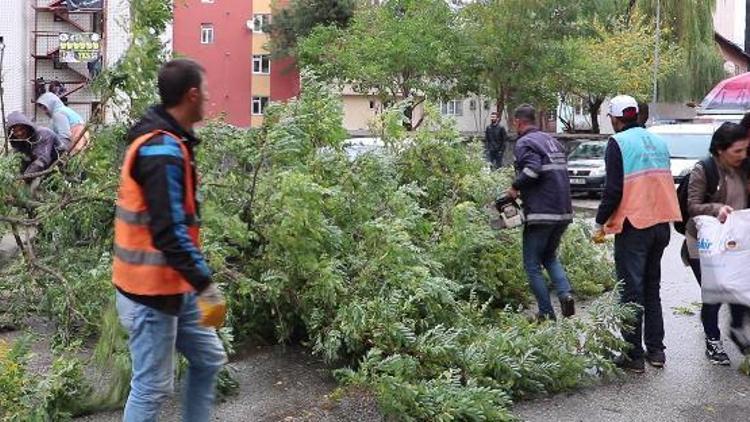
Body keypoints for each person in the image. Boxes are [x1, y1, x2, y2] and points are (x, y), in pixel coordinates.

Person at [112, 59, 227, 422]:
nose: (209, 98)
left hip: (173, 286)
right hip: (149, 295)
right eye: (205, 91)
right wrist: (206, 286)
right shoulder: (160, 150)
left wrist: (195, 285)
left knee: (208, 358)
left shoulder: (171, 141)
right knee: (151, 387)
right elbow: (169, 233)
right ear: (192, 95)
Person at [593, 95, 681, 373]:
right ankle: (656, 352)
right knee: (651, 289)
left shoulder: (617, 143)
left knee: (631, 292)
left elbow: (614, 190)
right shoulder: (658, 141)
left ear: (617, 118)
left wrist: (599, 222)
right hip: (661, 224)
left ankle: (632, 356)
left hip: (635, 226)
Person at [685, 122, 750, 364]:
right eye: (737, 151)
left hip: (734, 240)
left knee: (739, 286)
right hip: (704, 243)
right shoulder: (704, 169)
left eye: (745, 150)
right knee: (715, 292)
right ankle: (713, 341)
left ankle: (736, 329)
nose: (742, 155)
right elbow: (692, 206)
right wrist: (716, 208)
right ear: (721, 149)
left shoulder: (743, 168)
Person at [506, 104, 575, 321]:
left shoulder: (525, 142)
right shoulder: (552, 142)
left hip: (541, 213)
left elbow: (532, 169)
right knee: (549, 256)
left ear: (518, 121)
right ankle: (565, 294)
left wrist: (515, 187)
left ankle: (546, 313)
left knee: (532, 265)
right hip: (563, 212)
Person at [6, 111, 60, 177]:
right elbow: (20, 157)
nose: (19, 133)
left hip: (57, 163)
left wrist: (24, 177)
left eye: (21, 129)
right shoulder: (20, 139)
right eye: (15, 131)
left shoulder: (43, 134)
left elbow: (43, 160)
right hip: (39, 164)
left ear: (27, 127)